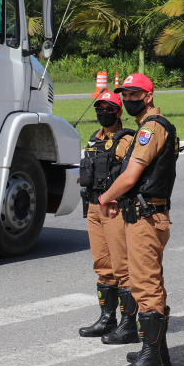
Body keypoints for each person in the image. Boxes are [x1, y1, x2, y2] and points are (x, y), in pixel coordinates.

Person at [97, 73, 179, 366]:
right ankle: (159, 351)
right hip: (143, 213)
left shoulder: (152, 128)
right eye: (126, 95)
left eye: (135, 94)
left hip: (147, 218)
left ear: (149, 95)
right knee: (147, 281)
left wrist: (106, 197)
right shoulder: (151, 126)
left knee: (145, 285)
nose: (129, 99)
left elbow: (131, 176)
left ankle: (151, 358)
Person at [77, 91, 136, 341]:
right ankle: (106, 319)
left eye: (109, 109)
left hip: (113, 208)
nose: (103, 113)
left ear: (119, 111)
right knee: (103, 265)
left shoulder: (126, 140)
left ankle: (129, 324)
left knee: (122, 267)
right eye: (99, 109)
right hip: (93, 207)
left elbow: (129, 176)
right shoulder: (94, 139)